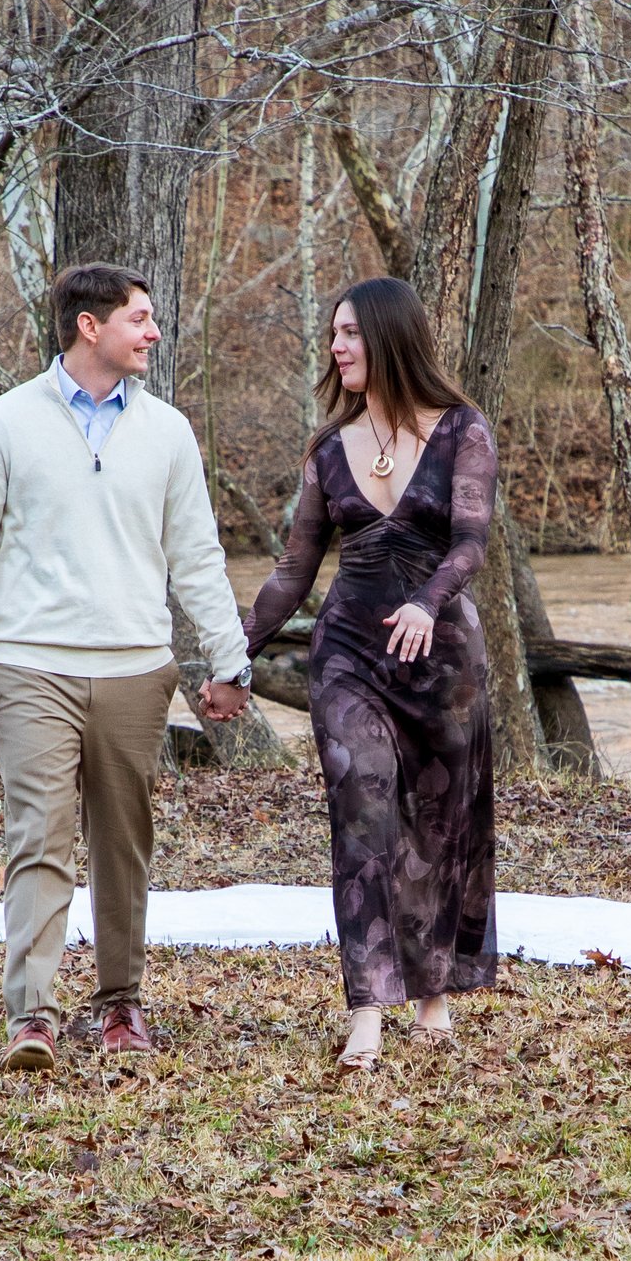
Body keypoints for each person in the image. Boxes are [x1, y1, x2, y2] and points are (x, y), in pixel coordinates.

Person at [0, 264, 252, 1069]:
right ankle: (31, 1016)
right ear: (89, 326)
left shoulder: (168, 432)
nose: (150, 332)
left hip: (137, 670)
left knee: (123, 842)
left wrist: (227, 658)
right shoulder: (5, 423)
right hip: (30, 666)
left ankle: (119, 1004)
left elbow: (197, 556)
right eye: (138, 319)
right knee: (39, 836)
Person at [243, 276, 498, 1071]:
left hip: (443, 659)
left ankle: (433, 995)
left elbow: (470, 543)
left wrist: (427, 602)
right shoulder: (328, 449)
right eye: (332, 334)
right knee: (362, 810)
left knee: (438, 826)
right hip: (350, 653)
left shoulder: (463, 432)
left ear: (389, 336)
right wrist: (234, 650)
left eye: (350, 332)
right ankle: (366, 1009)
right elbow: (294, 569)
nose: (337, 346)